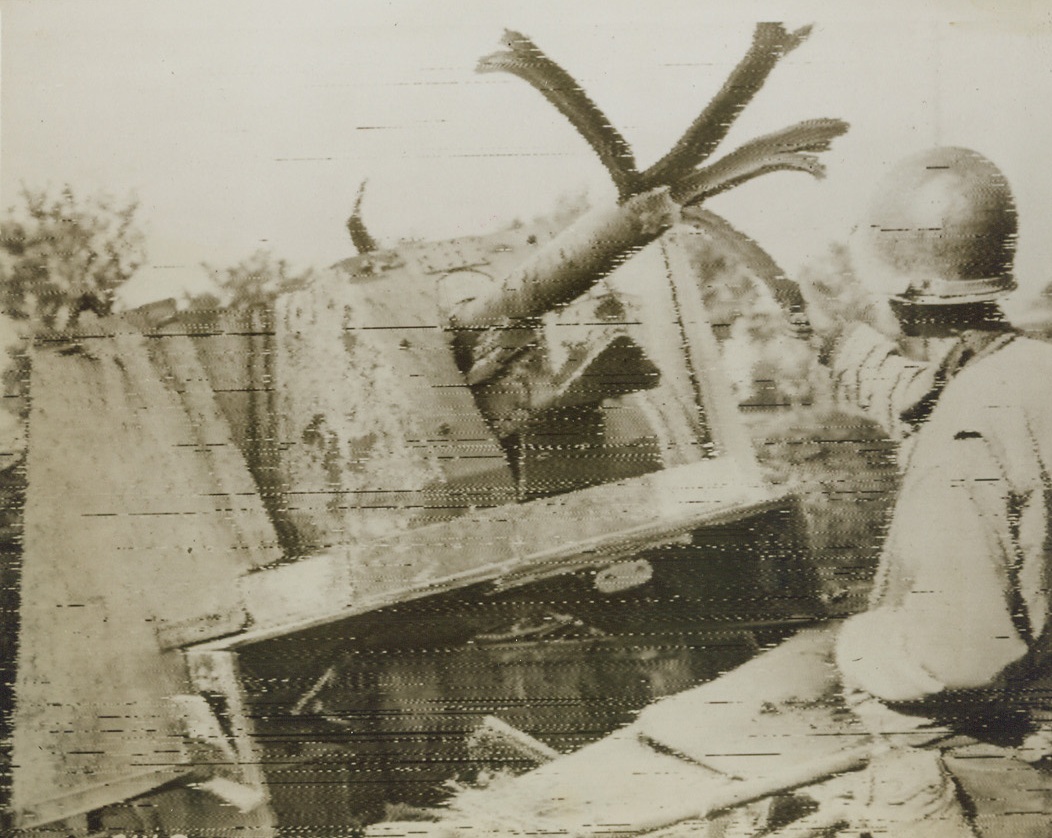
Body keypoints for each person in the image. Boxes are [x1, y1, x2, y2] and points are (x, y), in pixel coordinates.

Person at [812, 145, 1052, 837]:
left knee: (890, 695)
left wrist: (859, 646)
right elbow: (917, 394)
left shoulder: (964, 440)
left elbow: (961, 654)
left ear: (907, 296)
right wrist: (827, 336)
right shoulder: (1023, 372)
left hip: (1011, 764)